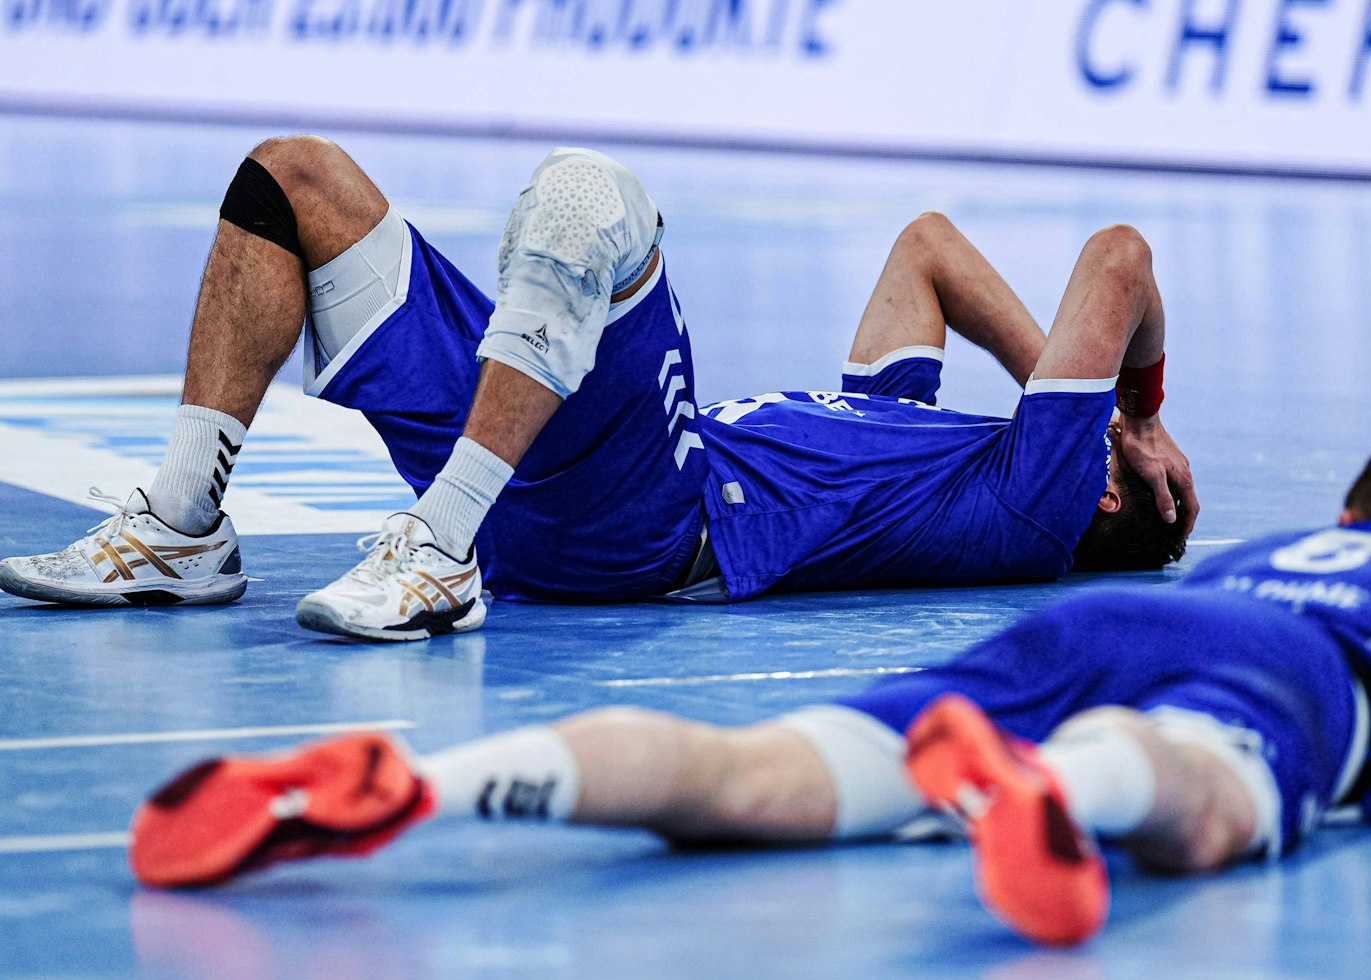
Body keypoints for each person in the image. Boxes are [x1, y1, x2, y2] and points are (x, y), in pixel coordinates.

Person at [126, 440, 1371, 946]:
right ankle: (1055, 794)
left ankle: (434, 784)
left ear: (1350, 511)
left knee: (745, 772)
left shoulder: (1277, 540)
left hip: (1093, 631)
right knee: (1206, 797)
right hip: (1273, 683)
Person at [0, 139, 1195, 637]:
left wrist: (1131, 416)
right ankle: (182, 528)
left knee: (589, 198)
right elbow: (929, 245)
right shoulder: (935, 449)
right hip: (564, 461)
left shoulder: (1037, 506)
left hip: (647, 514)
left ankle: (439, 547)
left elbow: (1121, 259)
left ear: (1097, 496)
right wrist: (1074, 406)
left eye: (1085, 442)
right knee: (292, 182)